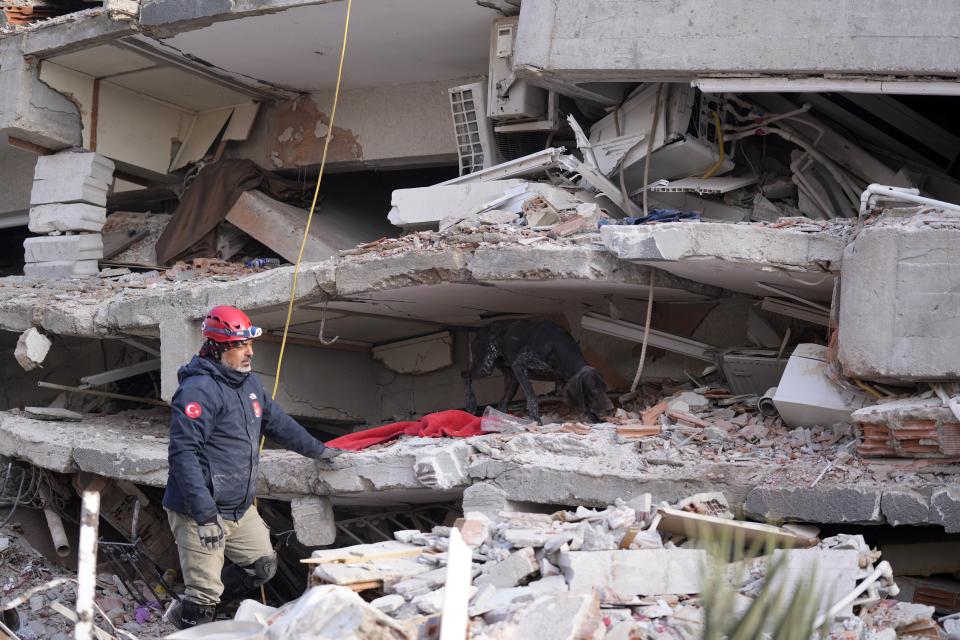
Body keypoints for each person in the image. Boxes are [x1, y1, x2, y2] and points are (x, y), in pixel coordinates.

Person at [162, 305, 343, 628]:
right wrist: (204, 516)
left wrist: (319, 451)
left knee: (262, 567)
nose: (249, 352)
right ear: (218, 349)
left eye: (249, 344)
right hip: (200, 511)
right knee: (204, 600)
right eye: (240, 345)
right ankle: (190, 618)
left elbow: (279, 424)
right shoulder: (198, 391)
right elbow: (183, 456)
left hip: (238, 507)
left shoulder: (249, 386)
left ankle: (198, 606)